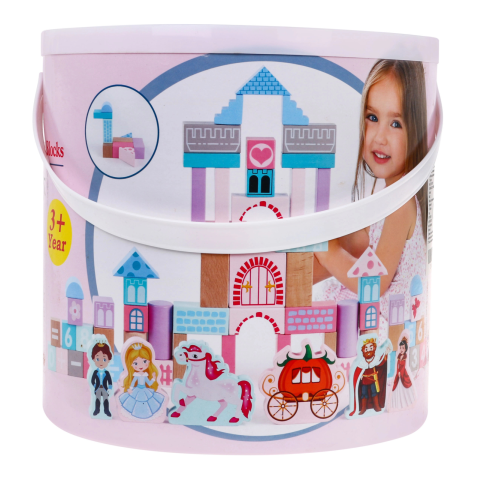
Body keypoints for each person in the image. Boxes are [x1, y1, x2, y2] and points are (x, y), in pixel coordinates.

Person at [314, 60, 428, 321]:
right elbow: (360, 244)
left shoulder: (401, 204)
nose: (379, 137)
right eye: (373, 118)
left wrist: (329, 253)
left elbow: (374, 285)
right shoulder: (386, 198)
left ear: (417, 130)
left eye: (396, 124)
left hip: (384, 328)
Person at [119, 342, 165, 420]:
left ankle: (145, 413)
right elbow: (133, 383)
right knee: (135, 402)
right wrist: (130, 389)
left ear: (149, 361)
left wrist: (153, 378)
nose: (140, 366)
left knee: (147, 402)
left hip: (145, 390)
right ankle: (137, 413)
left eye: (144, 361)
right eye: (135, 363)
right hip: (137, 390)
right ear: (131, 364)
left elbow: (149, 383)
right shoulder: (136, 375)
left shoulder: (145, 375)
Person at [391, 337, 417, 410]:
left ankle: (407, 402)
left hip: (403, 373)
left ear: (405, 349)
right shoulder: (399, 356)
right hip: (399, 373)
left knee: (405, 387)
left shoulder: (405, 356)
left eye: (403, 348)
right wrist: (398, 372)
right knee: (398, 388)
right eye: (400, 348)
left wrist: (400, 372)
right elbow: (398, 365)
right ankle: (398, 403)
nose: (401, 349)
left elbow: (404, 365)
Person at [90, 341, 113, 417]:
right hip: (98, 388)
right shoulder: (95, 372)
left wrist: (110, 388)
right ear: (93, 359)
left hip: (105, 388)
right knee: (97, 399)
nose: (101, 362)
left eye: (104, 359)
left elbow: (110, 381)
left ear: (108, 360)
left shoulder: (107, 373)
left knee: (105, 399)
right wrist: (95, 385)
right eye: (97, 359)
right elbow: (92, 380)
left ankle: (106, 410)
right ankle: (97, 410)